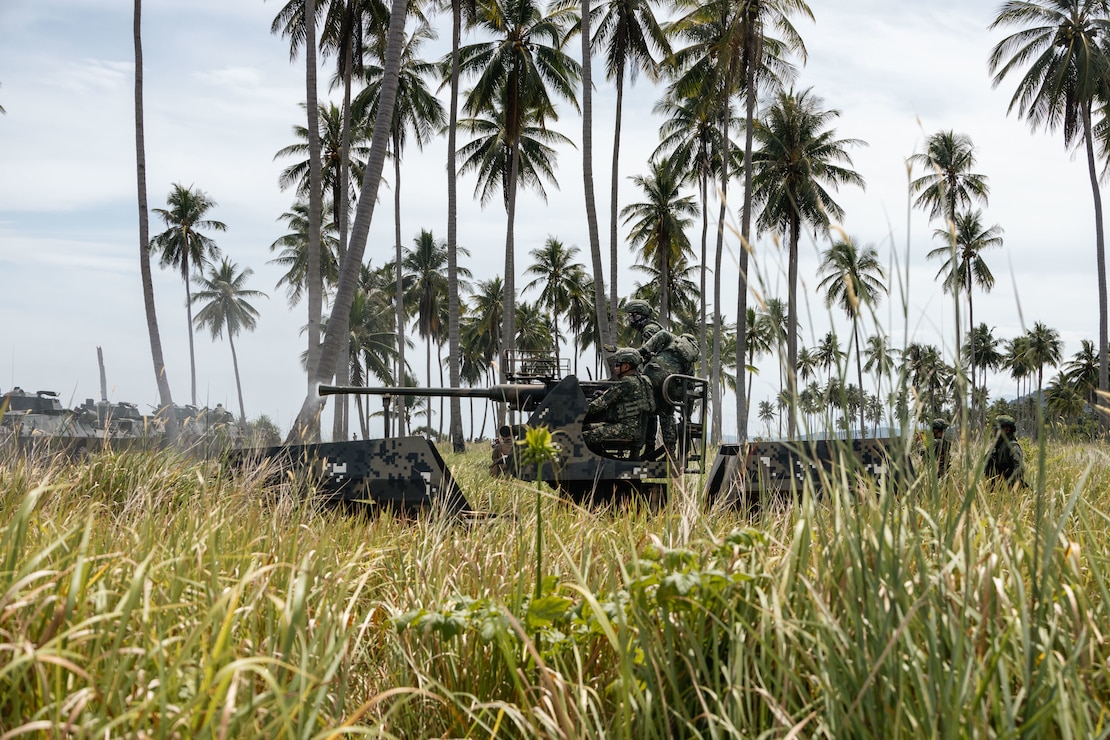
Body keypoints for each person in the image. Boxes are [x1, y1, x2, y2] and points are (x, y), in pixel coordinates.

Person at [583, 348, 655, 453]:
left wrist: (580, 412)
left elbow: (601, 403)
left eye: (617, 365)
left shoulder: (626, 382)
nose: (615, 368)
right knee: (586, 427)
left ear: (626, 366)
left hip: (625, 429)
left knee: (583, 436)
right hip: (635, 429)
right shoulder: (644, 381)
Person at [984, 414, 1025, 486]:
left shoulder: (1012, 446)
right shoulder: (998, 445)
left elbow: (1019, 467)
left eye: (997, 429)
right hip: (996, 486)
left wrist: (1009, 485)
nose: (994, 431)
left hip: (1008, 488)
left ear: (1007, 430)